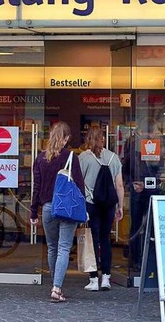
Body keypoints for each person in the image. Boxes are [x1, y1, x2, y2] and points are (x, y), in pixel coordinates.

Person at [30, 121, 85, 303]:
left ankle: (55, 285)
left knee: (52, 247)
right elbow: (79, 186)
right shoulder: (71, 157)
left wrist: (32, 212)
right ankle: (56, 287)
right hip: (67, 208)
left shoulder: (40, 159)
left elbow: (36, 187)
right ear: (67, 138)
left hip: (47, 208)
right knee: (63, 248)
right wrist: (84, 210)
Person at [78, 126, 125, 291]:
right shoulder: (113, 158)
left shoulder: (83, 158)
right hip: (109, 204)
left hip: (91, 204)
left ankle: (93, 280)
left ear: (88, 139)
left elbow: (78, 183)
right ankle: (106, 278)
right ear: (103, 139)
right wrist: (120, 206)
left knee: (92, 241)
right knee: (106, 240)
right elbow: (119, 185)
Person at [122, 118, 164, 271]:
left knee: (149, 226)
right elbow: (125, 167)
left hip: (150, 189)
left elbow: (159, 166)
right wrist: (131, 183)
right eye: (153, 131)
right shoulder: (133, 145)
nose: (155, 134)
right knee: (137, 226)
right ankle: (136, 260)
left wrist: (157, 176)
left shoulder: (153, 145)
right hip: (138, 190)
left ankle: (147, 260)